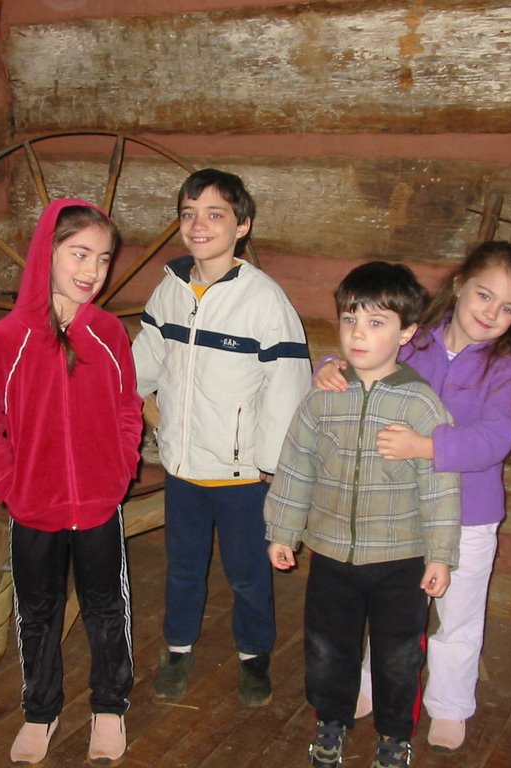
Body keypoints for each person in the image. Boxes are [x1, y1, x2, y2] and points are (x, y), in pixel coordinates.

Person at [314, 241, 511, 753]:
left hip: (468, 517)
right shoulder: (415, 343)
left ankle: (450, 704)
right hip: (402, 509)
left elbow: (493, 440)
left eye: (508, 308)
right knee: (391, 611)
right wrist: (327, 366)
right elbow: (364, 354)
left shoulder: (507, 370)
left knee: (458, 617)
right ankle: (371, 683)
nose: (491, 313)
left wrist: (425, 445)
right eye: (484, 295)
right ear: (459, 284)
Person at [0, 199, 143, 768]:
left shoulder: (109, 334)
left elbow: (128, 407)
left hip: (98, 503)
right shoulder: (7, 339)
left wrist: (120, 468)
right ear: (48, 252)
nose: (93, 271)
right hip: (33, 507)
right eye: (79, 254)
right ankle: (40, 710)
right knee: (37, 612)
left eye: (104, 258)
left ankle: (109, 706)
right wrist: (10, 484)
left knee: (105, 606)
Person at [265, 261, 461, 768]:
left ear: (407, 332)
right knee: (327, 648)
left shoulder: (420, 405)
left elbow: (440, 486)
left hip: (401, 561)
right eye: (350, 319)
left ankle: (395, 735)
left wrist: (440, 555)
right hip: (332, 556)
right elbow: (296, 465)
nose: (358, 333)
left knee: (399, 655)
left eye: (376, 323)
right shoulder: (323, 399)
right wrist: (283, 531)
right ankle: (331, 721)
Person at [131, 168, 310, 707]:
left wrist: (272, 467)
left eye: (215, 214)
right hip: (183, 467)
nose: (199, 225)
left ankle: (254, 655)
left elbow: (286, 388)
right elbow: (143, 362)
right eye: (188, 214)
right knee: (183, 567)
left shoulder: (265, 301)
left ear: (242, 225)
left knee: (248, 573)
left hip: (242, 476)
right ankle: (178, 647)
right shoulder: (170, 289)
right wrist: (132, 401)